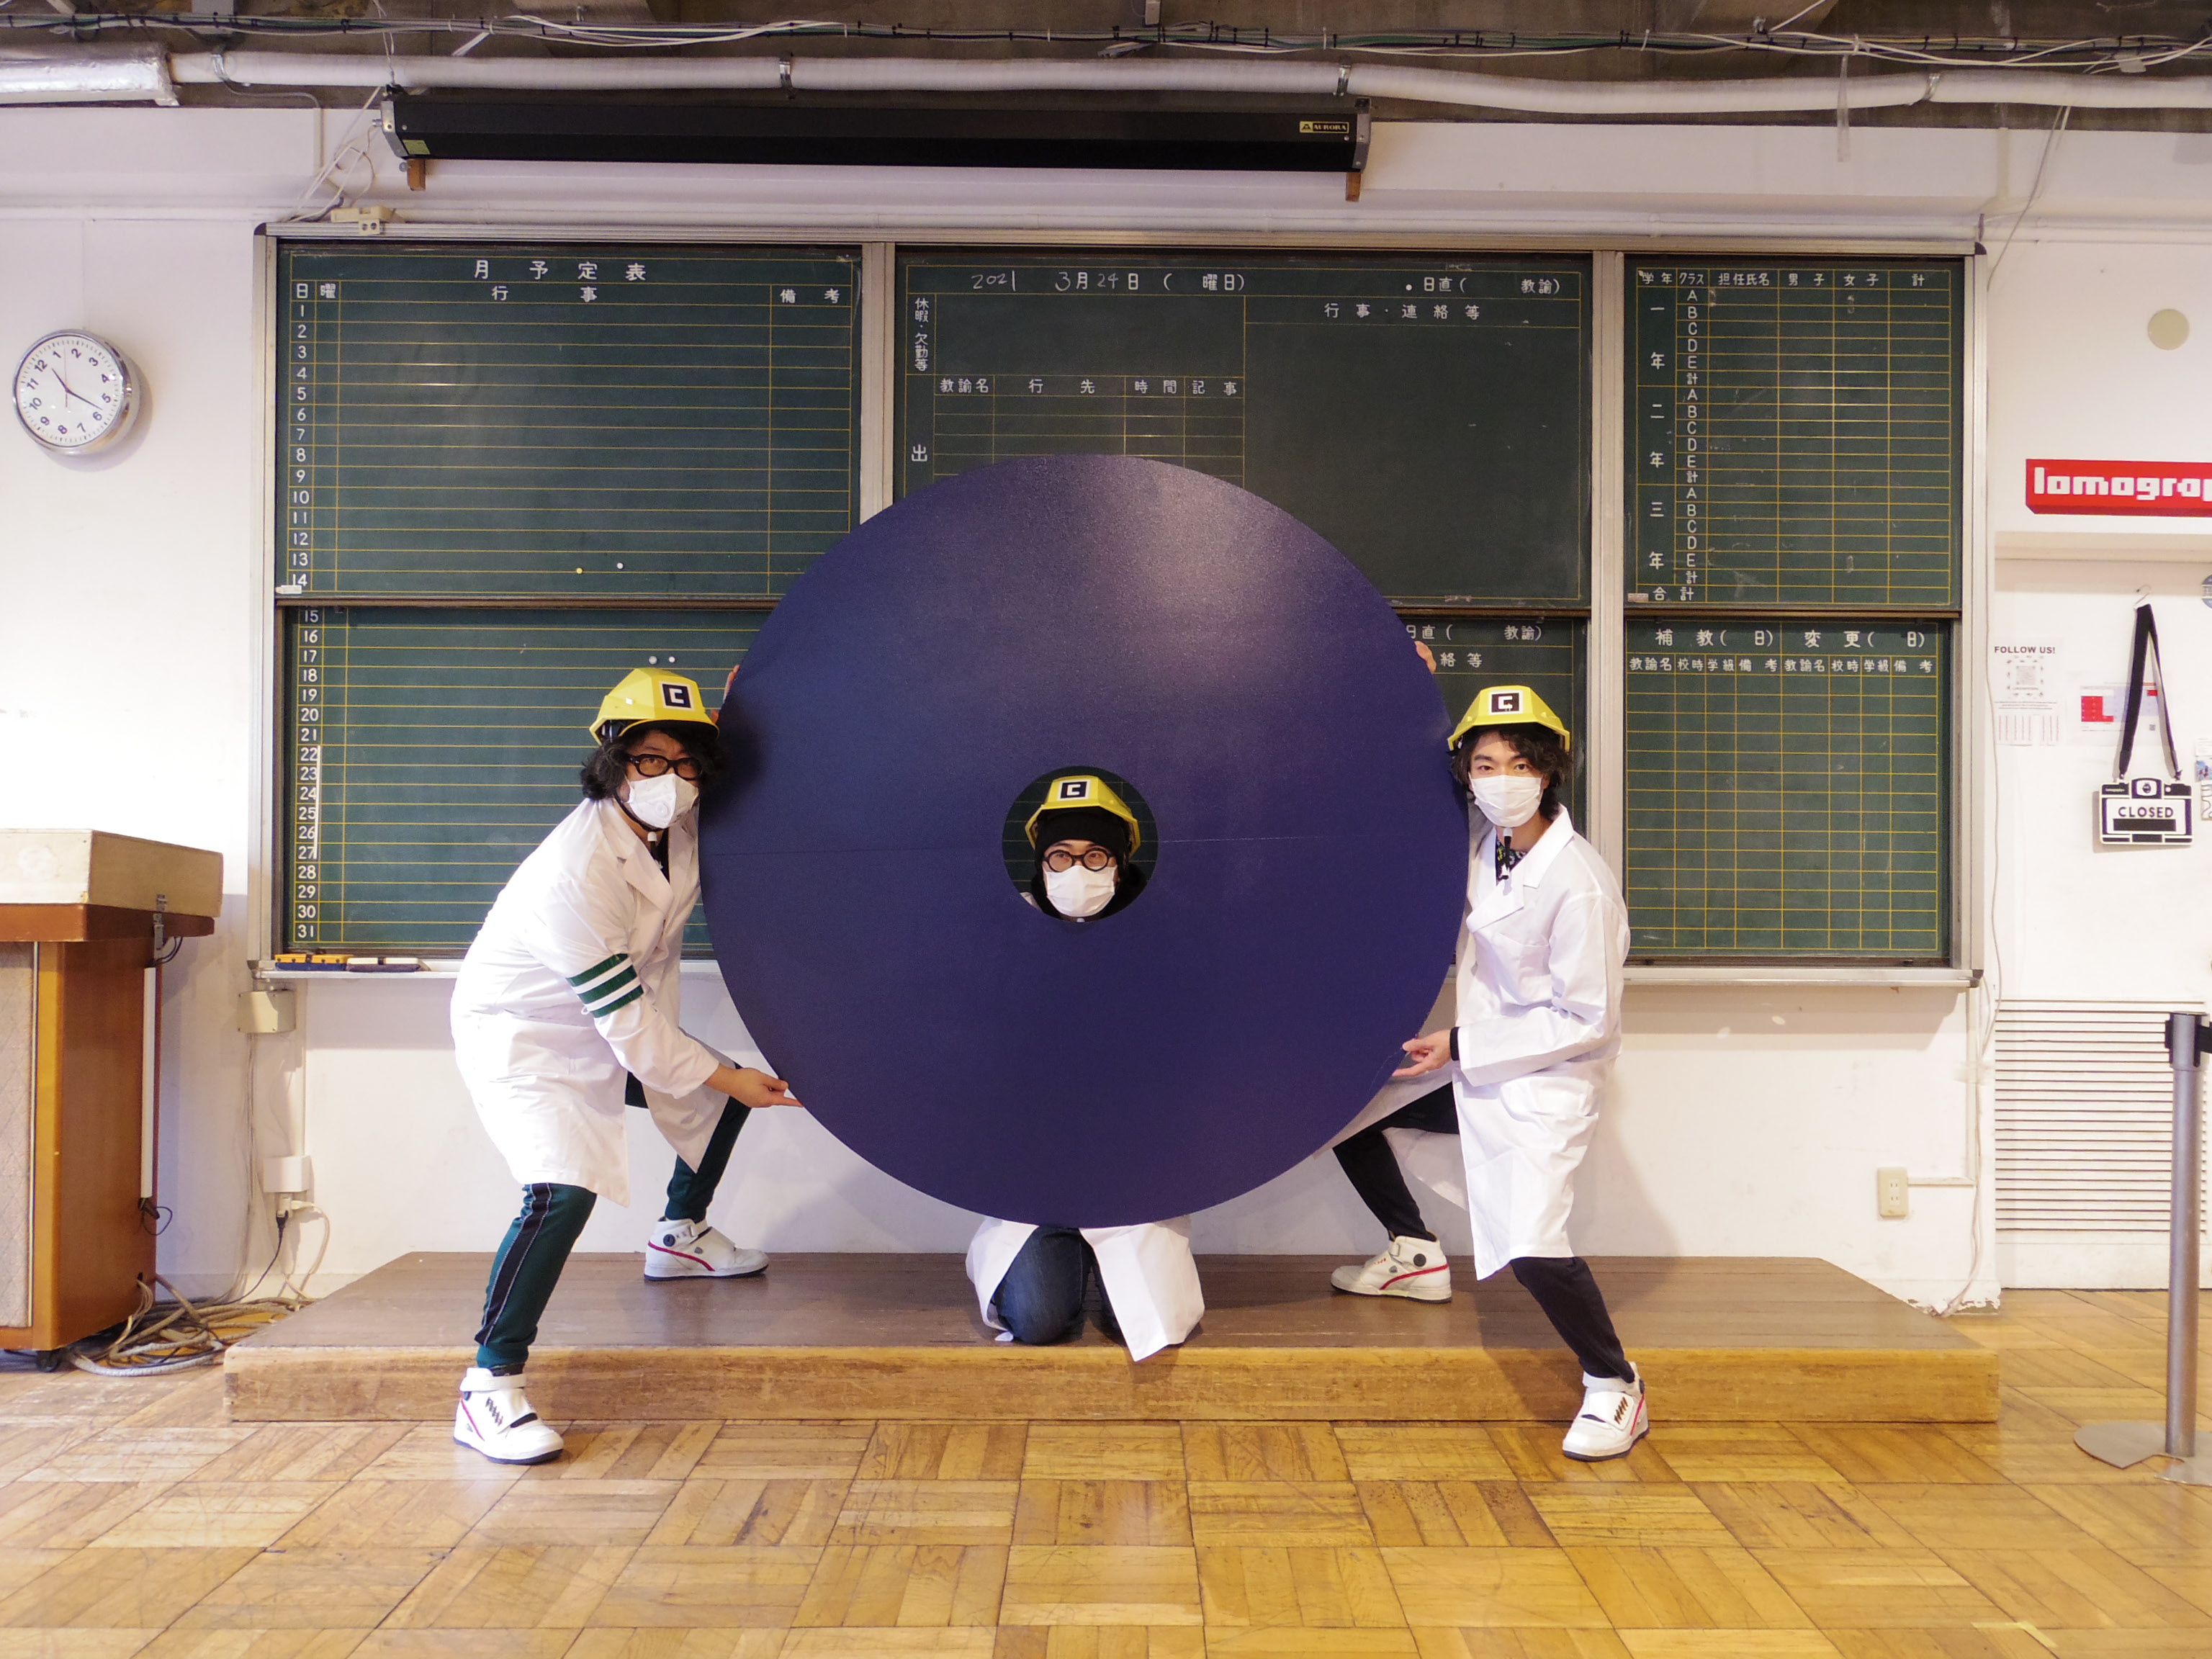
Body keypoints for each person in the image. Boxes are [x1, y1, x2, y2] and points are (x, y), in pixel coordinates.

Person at [448, 667, 800, 1465]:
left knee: (720, 1095)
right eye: (649, 760)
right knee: (560, 1193)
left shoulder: (673, 821)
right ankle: (488, 1384)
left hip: (609, 1020)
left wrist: (756, 706)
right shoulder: (574, 873)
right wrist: (728, 1077)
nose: (670, 779)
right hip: (529, 1035)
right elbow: (630, 1026)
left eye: (685, 764)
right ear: (612, 762)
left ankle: (679, 1235)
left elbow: (726, 763)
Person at [1328, 685, 1645, 1461]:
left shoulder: (1579, 885)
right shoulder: (1488, 843)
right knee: (1346, 1112)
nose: (1502, 780)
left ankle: (1615, 1382)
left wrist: (1462, 1044)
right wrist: (1400, 681)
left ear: (1549, 773)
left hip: (1546, 1079)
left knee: (1532, 1242)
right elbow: (1395, 793)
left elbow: (1587, 1020)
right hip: (1477, 1058)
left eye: (1519, 764)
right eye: (1484, 765)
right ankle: (1414, 1251)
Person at [966, 773, 1201, 1360]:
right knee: (1039, 1319)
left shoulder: (1166, 938)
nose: (1077, 870)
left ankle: (1100, 1258)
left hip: (1135, 1168)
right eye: (1061, 856)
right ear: (1041, 862)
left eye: (1096, 856)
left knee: (1145, 1322)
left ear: (1119, 865)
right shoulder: (1003, 939)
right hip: (1035, 1170)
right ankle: (1064, 1255)